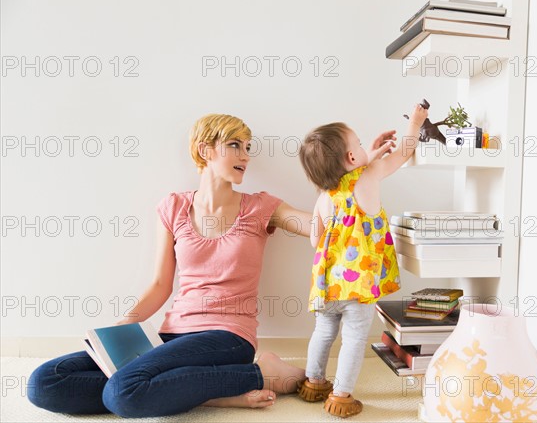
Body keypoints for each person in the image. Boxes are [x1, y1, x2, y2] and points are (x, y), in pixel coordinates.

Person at [27, 113, 313, 418]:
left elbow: (319, 227)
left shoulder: (261, 207)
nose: (246, 156)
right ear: (206, 150)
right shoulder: (173, 207)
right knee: (46, 382)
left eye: (247, 147)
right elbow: (161, 284)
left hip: (228, 336)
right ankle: (208, 394)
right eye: (235, 145)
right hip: (172, 334)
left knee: (124, 393)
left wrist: (349, 185)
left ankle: (263, 374)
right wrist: (127, 322)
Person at [296, 104, 428, 418]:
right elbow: (404, 153)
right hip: (358, 285)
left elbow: (316, 240)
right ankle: (341, 395)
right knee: (354, 337)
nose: (362, 149)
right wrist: (417, 124)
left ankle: (314, 383)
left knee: (324, 332)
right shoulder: (368, 177)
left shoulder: (324, 196)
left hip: (327, 284)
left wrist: (368, 152)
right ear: (353, 160)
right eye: (357, 144)